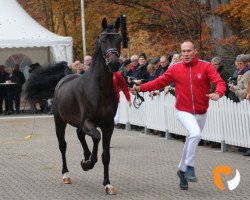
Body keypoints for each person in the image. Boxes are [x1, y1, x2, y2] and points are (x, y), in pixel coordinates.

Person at [130, 40, 226, 190]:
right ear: (181, 53)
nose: (186, 54)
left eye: (188, 51)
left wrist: (218, 93)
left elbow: (220, 82)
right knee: (195, 134)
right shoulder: (175, 68)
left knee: (191, 139)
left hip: (201, 111)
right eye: (183, 51)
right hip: (183, 110)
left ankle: (181, 170)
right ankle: (190, 167)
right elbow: (159, 82)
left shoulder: (205, 66)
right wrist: (140, 88)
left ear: (195, 51)